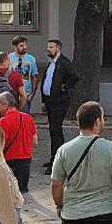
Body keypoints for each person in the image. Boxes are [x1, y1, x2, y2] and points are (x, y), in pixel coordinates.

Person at [0, 91, 37, 224]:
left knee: (9, 206)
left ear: (6, 104)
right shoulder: (27, 118)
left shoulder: (3, 122)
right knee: (17, 203)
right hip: (25, 163)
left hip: (9, 164)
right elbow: (35, 142)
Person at [42, 39, 80, 175]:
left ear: (58, 48)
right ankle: (58, 157)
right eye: (48, 47)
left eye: (51, 47)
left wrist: (65, 87)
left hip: (60, 102)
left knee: (55, 130)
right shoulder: (52, 63)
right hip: (50, 101)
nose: (48, 49)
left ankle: (56, 162)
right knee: (54, 131)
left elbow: (75, 76)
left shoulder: (63, 62)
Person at [9, 35, 40, 113]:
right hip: (12, 93)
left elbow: (35, 77)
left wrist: (32, 94)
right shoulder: (9, 58)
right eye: (21, 45)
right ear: (15, 46)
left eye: (25, 45)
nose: (24, 47)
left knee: (24, 116)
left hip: (26, 92)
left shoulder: (31, 59)